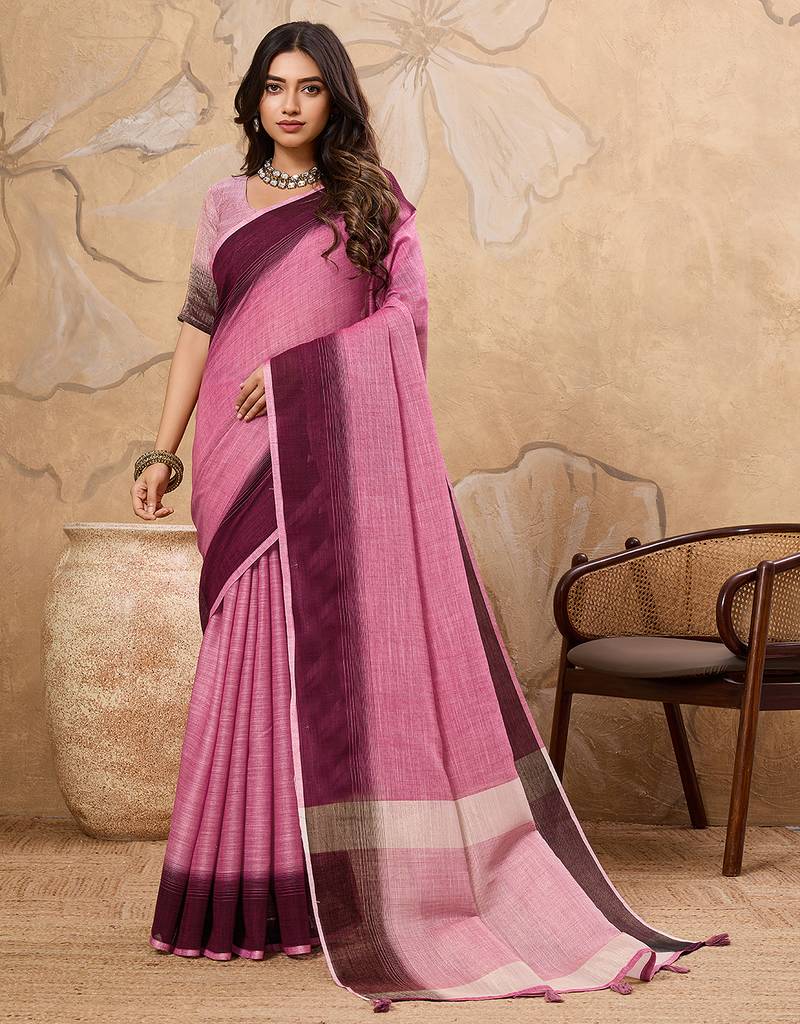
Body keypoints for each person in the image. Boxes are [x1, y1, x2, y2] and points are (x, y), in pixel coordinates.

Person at [135, 20, 730, 1012]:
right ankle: (241, 888)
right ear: (254, 99)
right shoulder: (223, 205)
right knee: (247, 655)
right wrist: (163, 448)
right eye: (274, 86)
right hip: (234, 459)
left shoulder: (370, 198)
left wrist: (297, 375)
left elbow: (403, 320)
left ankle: (330, 892)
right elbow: (198, 328)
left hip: (323, 447)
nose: (290, 104)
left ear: (334, 97)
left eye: (309, 87)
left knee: (324, 661)